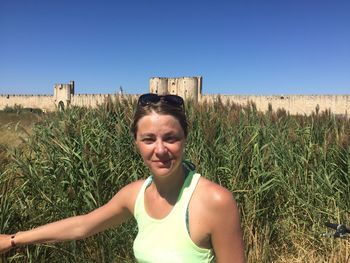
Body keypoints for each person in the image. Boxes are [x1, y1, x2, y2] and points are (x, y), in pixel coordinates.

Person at [0, 93, 245, 262]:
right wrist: (13, 240)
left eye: (171, 138)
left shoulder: (214, 201)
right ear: (136, 142)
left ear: (185, 138)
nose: (160, 150)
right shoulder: (135, 194)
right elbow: (82, 226)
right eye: (149, 139)